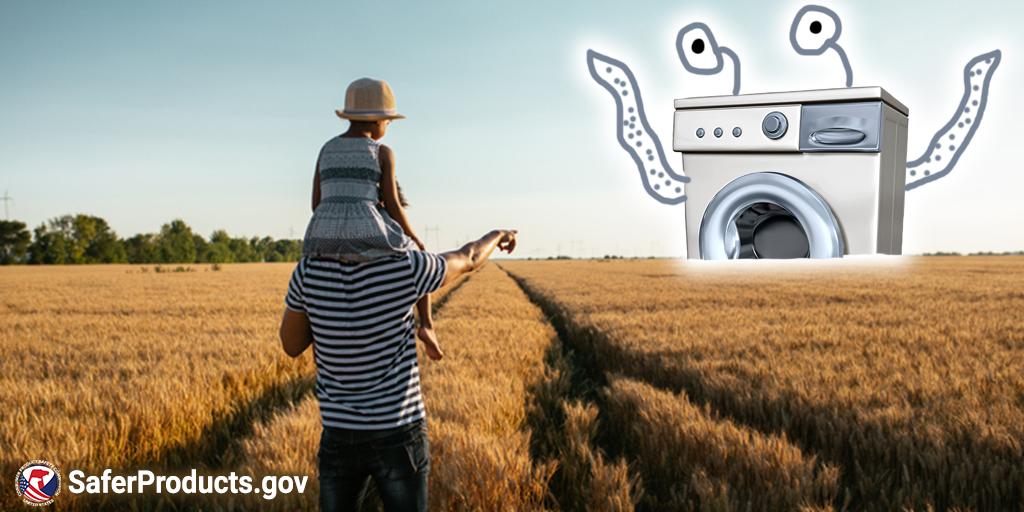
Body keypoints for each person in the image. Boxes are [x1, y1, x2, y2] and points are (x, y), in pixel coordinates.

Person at [279, 228, 516, 512]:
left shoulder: (309, 271)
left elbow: (292, 345)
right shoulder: (407, 265)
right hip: (400, 434)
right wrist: (499, 234)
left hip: (340, 434)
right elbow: (470, 256)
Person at [302, 77, 444, 360]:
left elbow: (316, 203)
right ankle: (427, 325)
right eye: (388, 122)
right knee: (417, 255)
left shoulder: (326, 149)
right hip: (366, 232)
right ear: (377, 121)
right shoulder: (382, 153)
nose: (388, 127)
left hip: (320, 236)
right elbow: (392, 203)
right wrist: (414, 237)